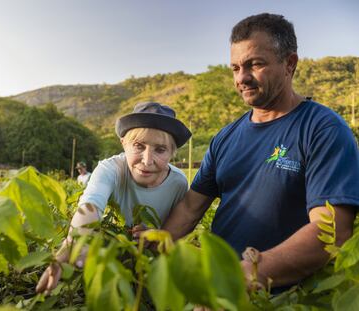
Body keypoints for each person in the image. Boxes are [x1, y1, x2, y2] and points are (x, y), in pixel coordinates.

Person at [162, 13, 359, 291]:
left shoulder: (322, 129)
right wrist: (152, 243)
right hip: (217, 294)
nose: (242, 77)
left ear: (289, 63)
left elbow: (331, 231)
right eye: (235, 68)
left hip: (283, 298)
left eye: (255, 64)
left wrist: (239, 277)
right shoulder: (226, 137)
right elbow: (190, 207)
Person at [36, 101, 191, 294]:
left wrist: (157, 234)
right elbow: (91, 204)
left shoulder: (178, 183)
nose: (147, 160)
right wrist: (75, 240)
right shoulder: (111, 169)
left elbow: (177, 232)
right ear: (123, 144)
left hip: (153, 267)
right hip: (115, 256)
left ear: (172, 153)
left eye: (160, 150)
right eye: (138, 146)